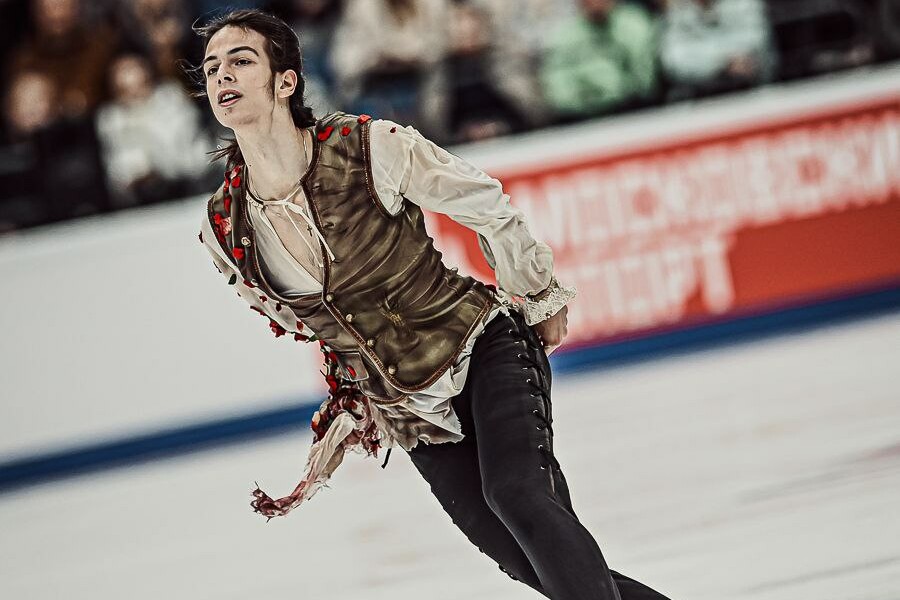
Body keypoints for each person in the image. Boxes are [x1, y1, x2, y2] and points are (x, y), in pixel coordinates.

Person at [192, 9, 672, 599]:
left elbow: (482, 203)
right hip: (410, 409)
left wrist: (538, 291)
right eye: (211, 68)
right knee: (523, 560)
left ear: (285, 80)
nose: (222, 76)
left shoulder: (368, 146)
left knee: (518, 496)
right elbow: (300, 318)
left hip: (480, 344)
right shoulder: (226, 225)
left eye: (241, 61)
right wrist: (354, 391)